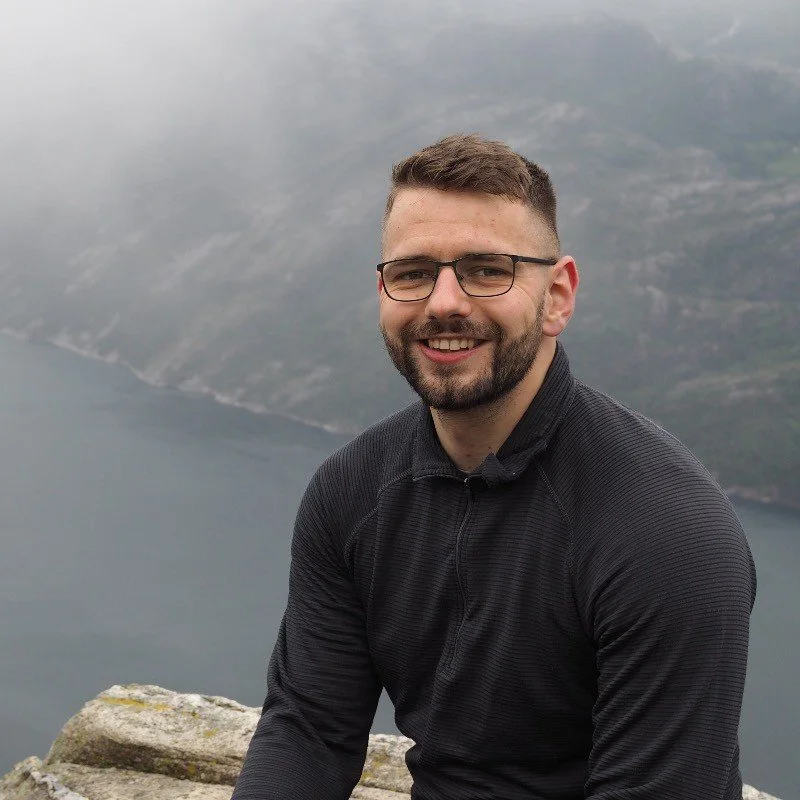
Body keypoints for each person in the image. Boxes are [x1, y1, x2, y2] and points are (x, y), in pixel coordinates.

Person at [231, 134, 756, 799]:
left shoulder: (667, 532)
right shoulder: (352, 493)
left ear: (558, 295)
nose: (444, 302)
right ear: (383, 289)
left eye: (486, 269)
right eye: (413, 272)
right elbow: (309, 730)